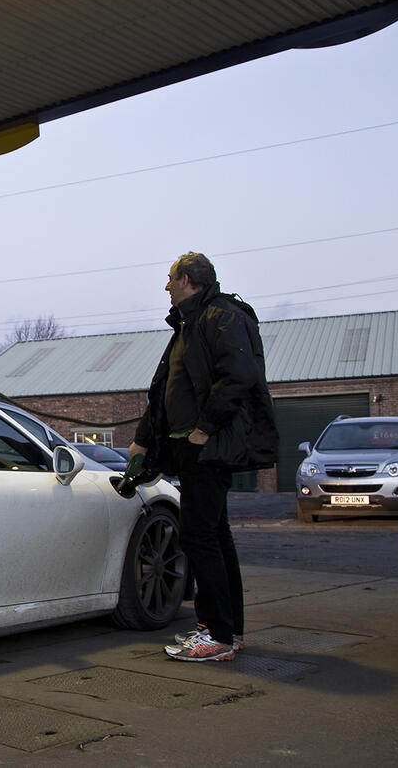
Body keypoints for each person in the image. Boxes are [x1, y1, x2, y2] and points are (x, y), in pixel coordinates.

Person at [130, 252, 278, 662]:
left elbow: (240, 377)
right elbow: (164, 390)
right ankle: (227, 630)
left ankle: (215, 634)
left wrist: (204, 429)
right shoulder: (190, 324)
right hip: (192, 446)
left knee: (199, 536)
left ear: (189, 281)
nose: (166, 286)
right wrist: (143, 440)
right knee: (216, 535)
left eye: (170, 279)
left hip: (207, 449)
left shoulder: (220, 316)